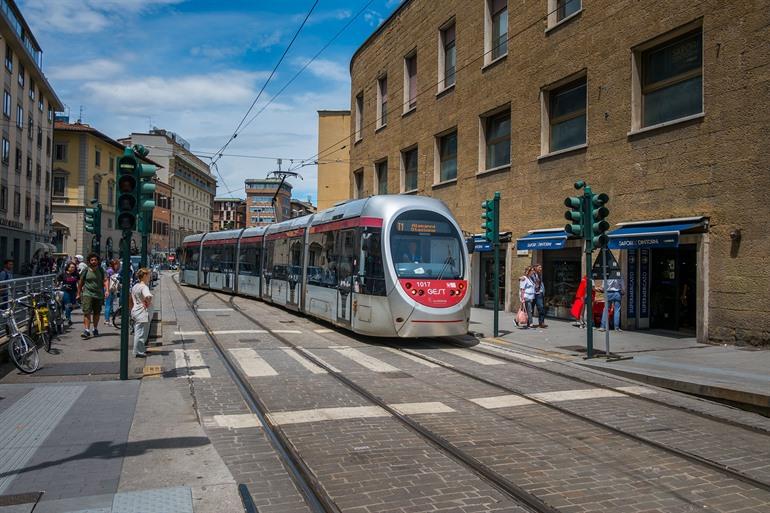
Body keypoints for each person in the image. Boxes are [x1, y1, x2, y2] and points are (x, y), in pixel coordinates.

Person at [76, 253, 107, 339]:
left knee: (97, 313)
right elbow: (80, 282)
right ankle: (86, 330)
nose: (94, 262)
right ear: (89, 261)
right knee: (87, 312)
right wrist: (78, 293)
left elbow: (105, 280)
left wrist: (107, 290)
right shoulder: (86, 270)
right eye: (92, 260)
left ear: (98, 261)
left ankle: (95, 329)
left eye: (95, 260)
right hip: (87, 293)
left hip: (98, 294)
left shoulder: (101, 270)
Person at [130, 268, 153, 357]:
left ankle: (140, 349)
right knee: (141, 333)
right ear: (144, 276)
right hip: (142, 312)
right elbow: (148, 296)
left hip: (135, 311)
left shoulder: (136, 286)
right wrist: (147, 302)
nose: (149, 277)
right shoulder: (144, 287)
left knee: (138, 332)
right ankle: (138, 351)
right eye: (148, 275)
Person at [57, 262, 79, 327]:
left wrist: (79, 291)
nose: (73, 269)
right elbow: (58, 280)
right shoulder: (63, 274)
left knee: (73, 306)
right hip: (65, 291)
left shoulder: (76, 274)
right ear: (68, 267)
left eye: (74, 267)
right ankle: (68, 319)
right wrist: (58, 285)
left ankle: (64, 311)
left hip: (73, 291)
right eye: (71, 267)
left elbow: (78, 283)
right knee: (68, 305)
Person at [104, 259, 120, 327]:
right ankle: (107, 320)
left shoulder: (110, 271)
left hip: (110, 289)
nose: (118, 266)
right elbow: (106, 280)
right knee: (108, 305)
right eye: (117, 265)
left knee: (109, 304)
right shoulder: (110, 271)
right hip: (109, 289)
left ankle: (108, 319)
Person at [532, 263, 547, 328]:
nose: (541, 269)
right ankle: (528, 322)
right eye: (539, 267)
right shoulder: (532, 274)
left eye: (541, 267)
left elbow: (540, 284)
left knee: (541, 308)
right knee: (530, 309)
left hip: (539, 294)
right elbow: (525, 277)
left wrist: (542, 291)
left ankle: (541, 323)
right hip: (532, 294)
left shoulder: (539, 275)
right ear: (535, 268)